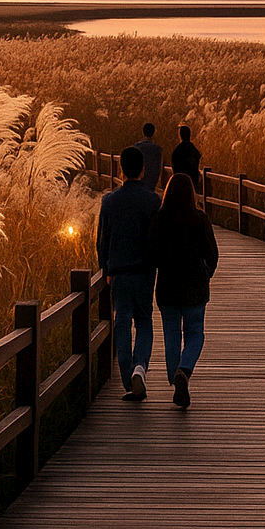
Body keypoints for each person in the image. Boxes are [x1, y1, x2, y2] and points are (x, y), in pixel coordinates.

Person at [97, 146, 162, 401]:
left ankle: (127, 378)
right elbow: (157, 239)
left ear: (121, 170)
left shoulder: (110, 201)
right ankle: (140, 367)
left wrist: (105, 268)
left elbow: (102, 239)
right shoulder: (153, 201)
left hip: (120, 273)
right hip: (145, 272)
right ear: (143, 169)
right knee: (144, 321)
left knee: (121, 323)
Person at [150, 173, 219, 409]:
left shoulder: (160, 219)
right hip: (195, 286)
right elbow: (212, 254)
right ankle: (184, 370)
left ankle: (174, 376)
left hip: (168, 285)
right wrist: (205, 273)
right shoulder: (200, 218)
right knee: (195, 334)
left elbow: (152, 253)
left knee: (171, 334)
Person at [170, 125, 202, 196]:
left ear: (180, 136)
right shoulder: (194, 150)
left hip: (179, 183)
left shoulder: (177, 150)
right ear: (190, 135)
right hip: (192, 184)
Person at [136, 123, 163, 192]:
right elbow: (158, 169)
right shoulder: (158, 150)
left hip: (138, 185)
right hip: (151, 185)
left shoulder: (137, 147)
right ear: (153, 133)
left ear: (143, 133)